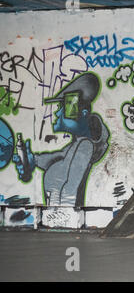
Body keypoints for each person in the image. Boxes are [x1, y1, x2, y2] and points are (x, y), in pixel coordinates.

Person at [12, 72, 110, 208]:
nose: (57, 113)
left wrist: (60, 217)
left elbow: (70, 191)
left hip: (61, 217)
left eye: (63, 107)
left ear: (83, 114)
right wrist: (32, 160)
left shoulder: (84, 146)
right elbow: (54, 157)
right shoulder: (73, 148)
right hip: (57, 217)